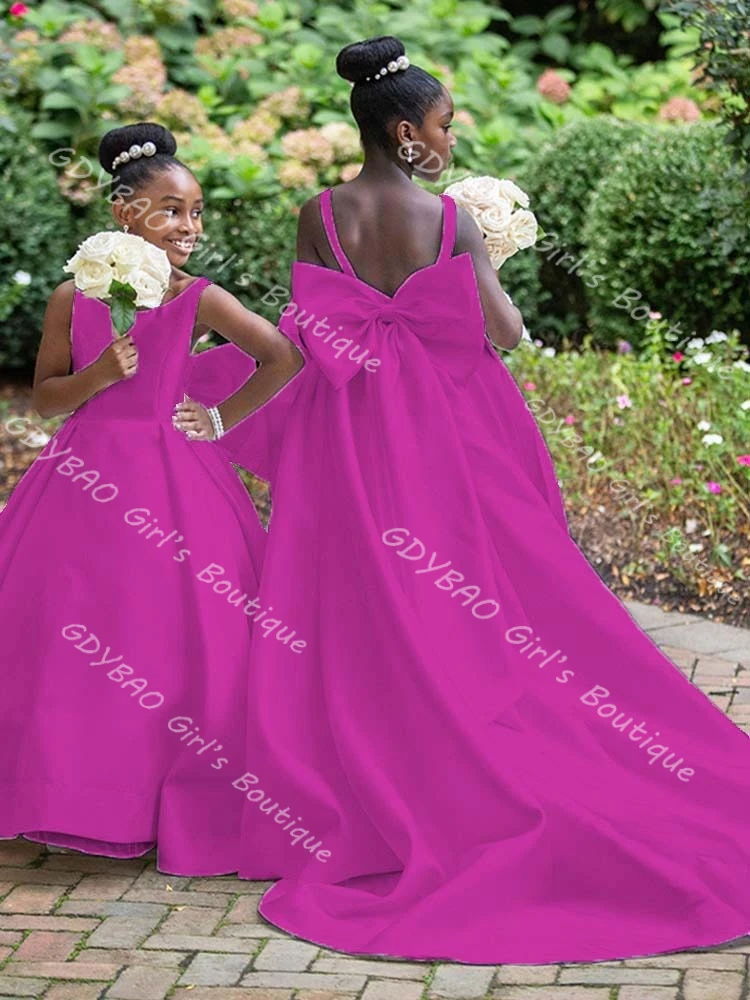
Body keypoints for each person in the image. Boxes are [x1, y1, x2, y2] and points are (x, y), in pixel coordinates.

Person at [218, 37, 750, 963]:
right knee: (474, 577)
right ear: (405, 132)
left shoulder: (319, 210)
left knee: (359, 585)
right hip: (445, 433)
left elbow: (307, 323)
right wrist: (487, 255)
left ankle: (357, 748)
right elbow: (501, 333)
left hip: (349, 428)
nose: (451, 139)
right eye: (445, 125)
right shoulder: (446, 215)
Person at [0, 122, 303, 876]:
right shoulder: (74, 294)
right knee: (67, 628)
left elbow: (281, 355)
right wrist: (99, 375)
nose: (190, 227)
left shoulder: (198, 297)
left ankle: (170, 793)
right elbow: (43, 401)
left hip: (176, 481)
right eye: (171, 210)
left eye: (197, 211)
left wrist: (224, 417)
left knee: (173, 637)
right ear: (125, 211)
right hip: (80, 480)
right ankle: (62, 791)